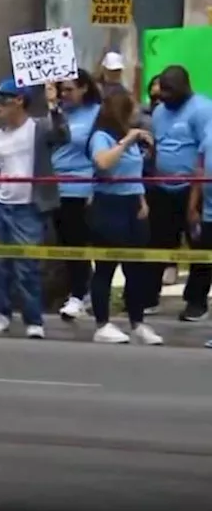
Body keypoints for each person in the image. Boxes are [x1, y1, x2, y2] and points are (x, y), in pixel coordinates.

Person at [0, 79, 68, 339]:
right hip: (2, 206)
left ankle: (33, 319)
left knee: (27, 265)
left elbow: (62, 134)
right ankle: (1, 314)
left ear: (19, 100)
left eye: (3, 99)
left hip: (30, 206)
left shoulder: (38, 128)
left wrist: (53, 103)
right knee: (0, 265)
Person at [86, 91, 162, 345]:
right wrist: (128, 141)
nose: (136, 115)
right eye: (132, 110)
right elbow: (103, 163)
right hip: (109, 204)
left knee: (137, 267)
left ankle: (138, 322)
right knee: (106, 267)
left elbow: (135, 173)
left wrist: (141, 200)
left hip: (133, 203)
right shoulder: (102, 137)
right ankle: (102, 323)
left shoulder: (127, 139)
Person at [147, 66, 212, 311]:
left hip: (192, 189)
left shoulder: (203, 110)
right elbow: (158, 145)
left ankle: (195, 301)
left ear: (185, 86)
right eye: (161, 89)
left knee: (200, 247)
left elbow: (205, 153)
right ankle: (149, 297)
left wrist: (195, 201)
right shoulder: (159, 112)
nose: (164, 95)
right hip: (161, 187)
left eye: (170, 90)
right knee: (157, 242)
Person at [51, 71, 102, 321]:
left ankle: (78, 295)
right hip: (54, 185)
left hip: (81, 185)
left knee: (77, 241)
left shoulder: (97, 114)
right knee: (66, 242)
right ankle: (84, 290)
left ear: (84, 88)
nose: (64, 94)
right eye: (62, 90)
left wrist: (95, 185)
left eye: (69, 89)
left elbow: (99, 149)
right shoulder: (59, 113)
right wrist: (53, 107)